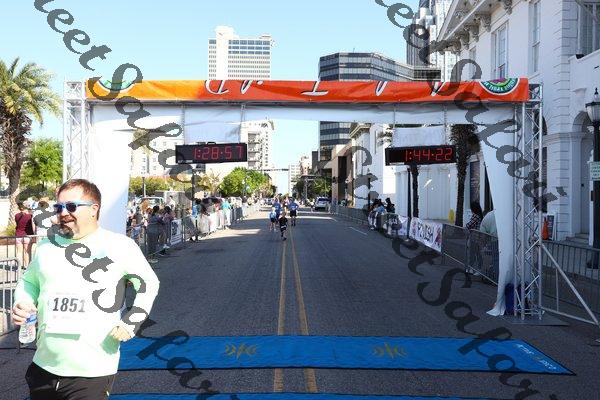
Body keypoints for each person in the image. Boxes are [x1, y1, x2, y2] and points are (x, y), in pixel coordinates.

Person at [11, 178, 160, 400]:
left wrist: (131, 321)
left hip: (92, 369)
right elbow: (29, 282)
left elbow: (148, 283)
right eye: (59, 207)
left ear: (93, 209)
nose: (63, 213)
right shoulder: (47, 245)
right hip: (44, 365)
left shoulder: (120, 246)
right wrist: (22, 302)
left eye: (71, 206)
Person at [15, 202, 34, 268]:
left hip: (18, 235)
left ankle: (18, 266)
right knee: (27, 252)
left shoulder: (16, 215)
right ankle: (27, 266)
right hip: (27, 235)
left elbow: (17, 224)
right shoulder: (30, 216)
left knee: (19, 252)